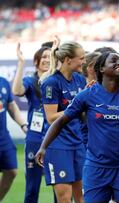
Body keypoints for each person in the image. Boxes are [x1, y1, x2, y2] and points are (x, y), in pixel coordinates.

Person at [35, 51, 119, 203]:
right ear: (102, 69)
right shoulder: (88, 95)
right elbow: (60, 121)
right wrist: (44, 147)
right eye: (114, 61)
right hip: (96, 168)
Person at [39, 36, 86, 203]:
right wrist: (76, 107)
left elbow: (82, 112)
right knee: (65, 199)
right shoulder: (51, 83)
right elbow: (51, 118)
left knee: (82, 197)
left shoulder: (80, 79)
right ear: (68, 60)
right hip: (58, 146)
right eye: (81, 58)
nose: (83, 62)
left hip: (77, 143)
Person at [12, 43, 52, 203]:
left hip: (57, 138)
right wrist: (21, 63)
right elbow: (16, 91)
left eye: (51, 57)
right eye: (44, 57)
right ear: (36, 61)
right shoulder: (30, 80)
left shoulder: (58, 81)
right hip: (35, 138)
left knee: (61, 188)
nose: (47, 60)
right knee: (32, 189)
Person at [0, 76, 28, 202]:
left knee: (12, 171)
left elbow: (11, 106)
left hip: (3, 137)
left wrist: (23, 125)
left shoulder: (3, 82)